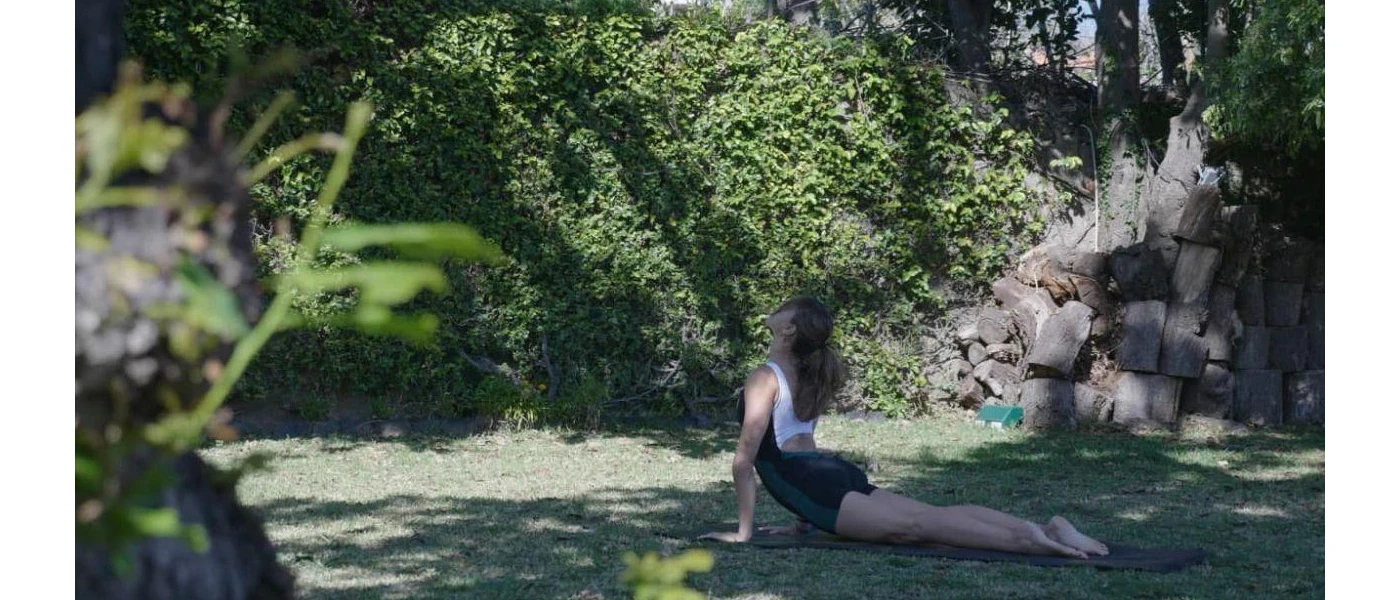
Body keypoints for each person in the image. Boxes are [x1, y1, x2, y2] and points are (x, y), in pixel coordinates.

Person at [699, 296, 1109, 559]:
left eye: (788, 308)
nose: (782, 305)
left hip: (812, 481)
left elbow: (745, 459)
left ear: (787, 330)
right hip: (827, 474)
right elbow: (796, 439)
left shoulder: (764, 376)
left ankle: (1034, 543)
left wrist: (744, 532)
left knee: (918, 528)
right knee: (929, 516)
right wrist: (803, 520)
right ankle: (1045, 530)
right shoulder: (807, 371)